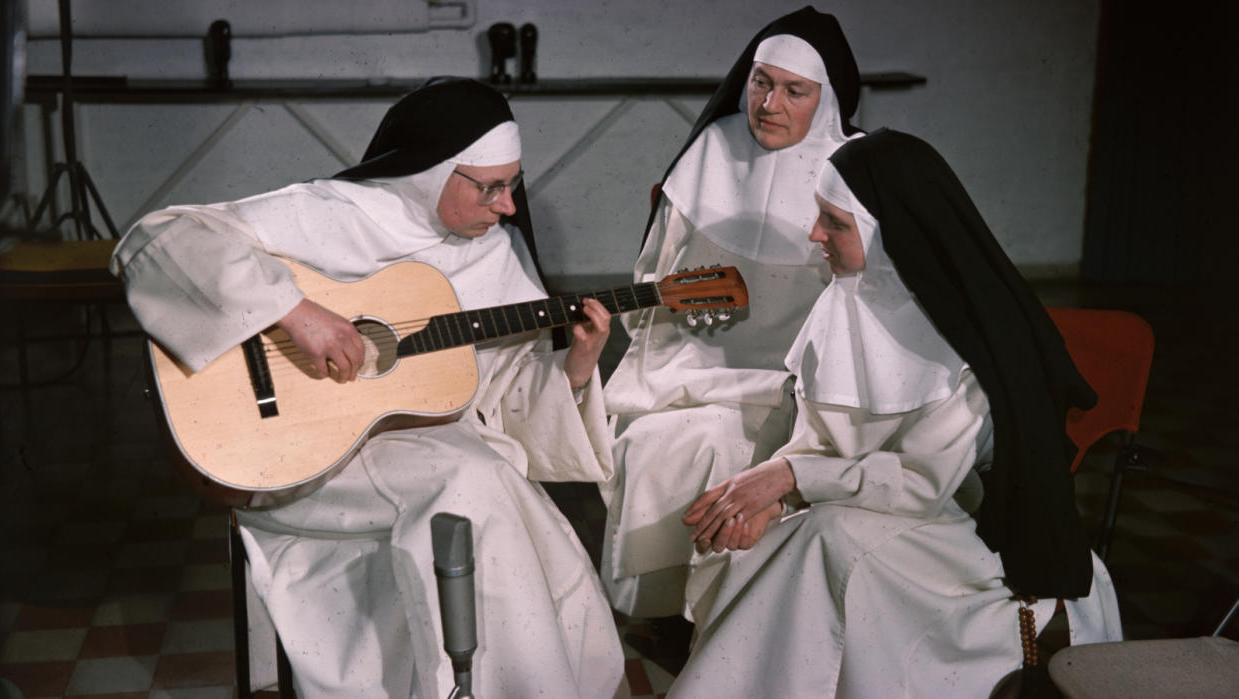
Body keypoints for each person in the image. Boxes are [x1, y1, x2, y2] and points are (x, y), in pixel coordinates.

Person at [110, 78, 626, 699]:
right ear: (429, 175)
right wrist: (293, 311)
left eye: (512, 185)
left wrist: (578, 361)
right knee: (477, 486)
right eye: (489, 187)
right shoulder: (332, 213)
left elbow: (502, 388)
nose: (508, 206)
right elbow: (156, 240)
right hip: (308, 463)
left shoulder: (496, 247)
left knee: (481, 486)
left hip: (424, 448)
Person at [669, 129, 1124, 698]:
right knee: (772, 542)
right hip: (851, 503)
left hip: (955, 530)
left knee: (824, 541)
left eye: (835, 222)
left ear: (890, 232)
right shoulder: (844, 298)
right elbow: (818, 442)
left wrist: (790, 480)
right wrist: (777, 495)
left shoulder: (974, 340)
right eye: (820, 216)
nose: (815, 235)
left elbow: (921, 485)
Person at [601, 6, 863, 619]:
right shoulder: (709, 151)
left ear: (825, 101)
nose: (769, 103)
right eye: (760, 82)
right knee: (653, 440)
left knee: (723, 446)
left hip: (806, 391)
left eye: (794, 90)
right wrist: (679, 324)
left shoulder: (858, 173)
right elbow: (652, 284)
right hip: (686, 374)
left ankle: (731, 619)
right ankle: (655, 619)